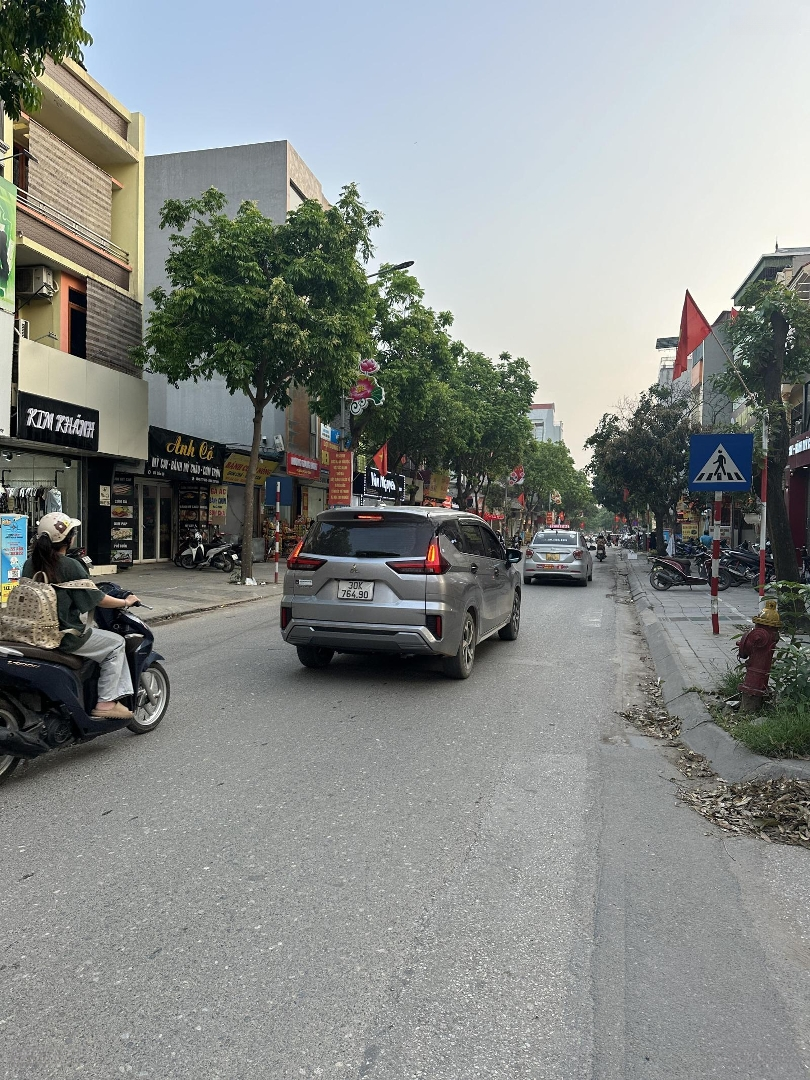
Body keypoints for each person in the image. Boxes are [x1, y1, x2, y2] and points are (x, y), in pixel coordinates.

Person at [22, 513, 141, 720]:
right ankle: (106, 703)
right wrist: (125, 602)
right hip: (62, 636)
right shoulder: (69, 565)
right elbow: (97, 599)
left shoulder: (29, 564)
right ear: (68, 539)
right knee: (116, 644)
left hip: (30, 632)